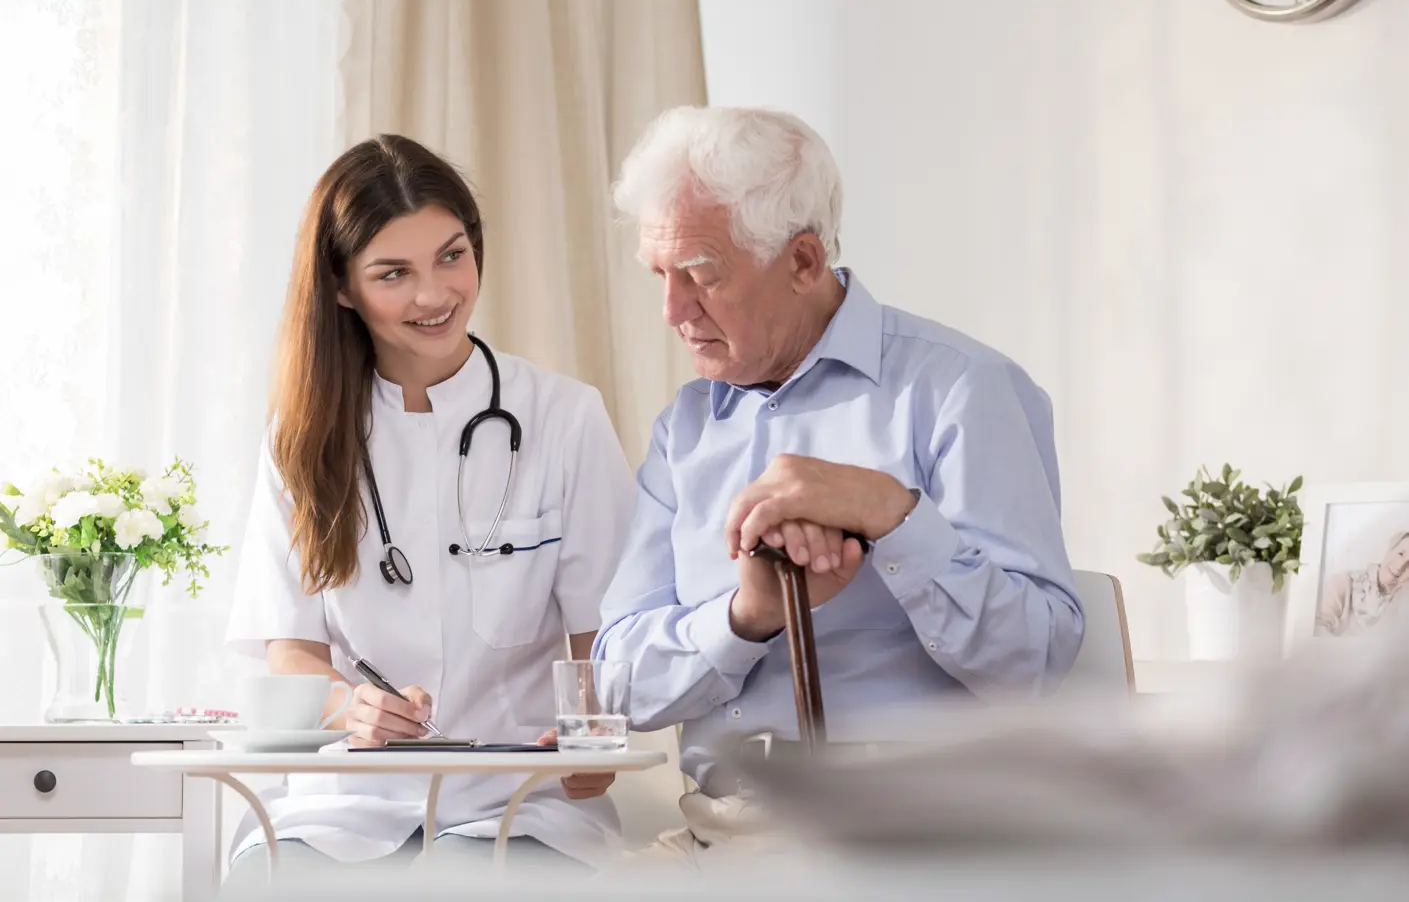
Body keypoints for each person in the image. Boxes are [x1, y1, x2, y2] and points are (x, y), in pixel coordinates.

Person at [591, 106, 1085, 863]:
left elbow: (1035, 663)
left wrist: (895, 518)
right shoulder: (685, 430)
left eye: (699, 276)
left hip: (908, 835)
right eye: (658, 277)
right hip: (720, 835)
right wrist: (746, 615)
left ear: (803, 261)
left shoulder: (961, 390)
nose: (671, 312)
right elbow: (620, 683)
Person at [222, 134, 635, 887]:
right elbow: (290, 648)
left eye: (452, 255)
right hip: (347, 802)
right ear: (342, 287)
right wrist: (352, 709)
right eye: (393, 273)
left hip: (521, 802)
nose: (434, 294)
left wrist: (591, 751)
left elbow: (599, 631)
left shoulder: (564, 418)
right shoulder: (300, 439)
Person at [1316, 531, 1409, 637]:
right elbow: (1317, 632)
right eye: (1400, 554)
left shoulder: (1403, 608)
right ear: (1390, 550)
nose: (1400, 566)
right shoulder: (1342, 582)